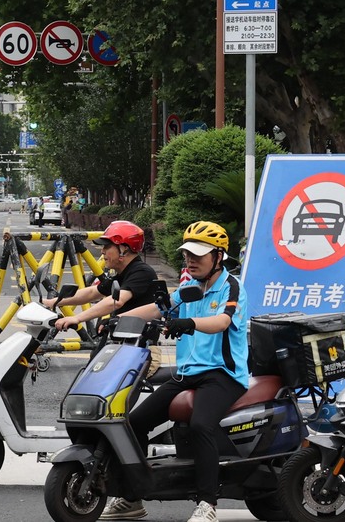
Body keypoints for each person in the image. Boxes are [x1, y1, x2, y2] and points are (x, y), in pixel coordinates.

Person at [100, 221, 249, 522]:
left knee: (201, 425)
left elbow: (222, 322)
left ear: (218, 257)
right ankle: (131, 498)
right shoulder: (188, 287)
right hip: (188, 372)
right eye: (187, 254)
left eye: (198, 255)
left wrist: (189, 323)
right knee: (135, 422)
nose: (190, 260)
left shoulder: (231, 286)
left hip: (223, 374)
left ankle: (207, 504)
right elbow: (159, 308)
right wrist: (119, 319)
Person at [46, 221, 157, 345]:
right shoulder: (123, 273)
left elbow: (117, 300)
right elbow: (92, 292)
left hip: (142, 347)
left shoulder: (141, 272)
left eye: (107, 246)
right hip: (125, 343)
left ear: (123, 249)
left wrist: (77, 318)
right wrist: (53, 302)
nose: (102, 252)